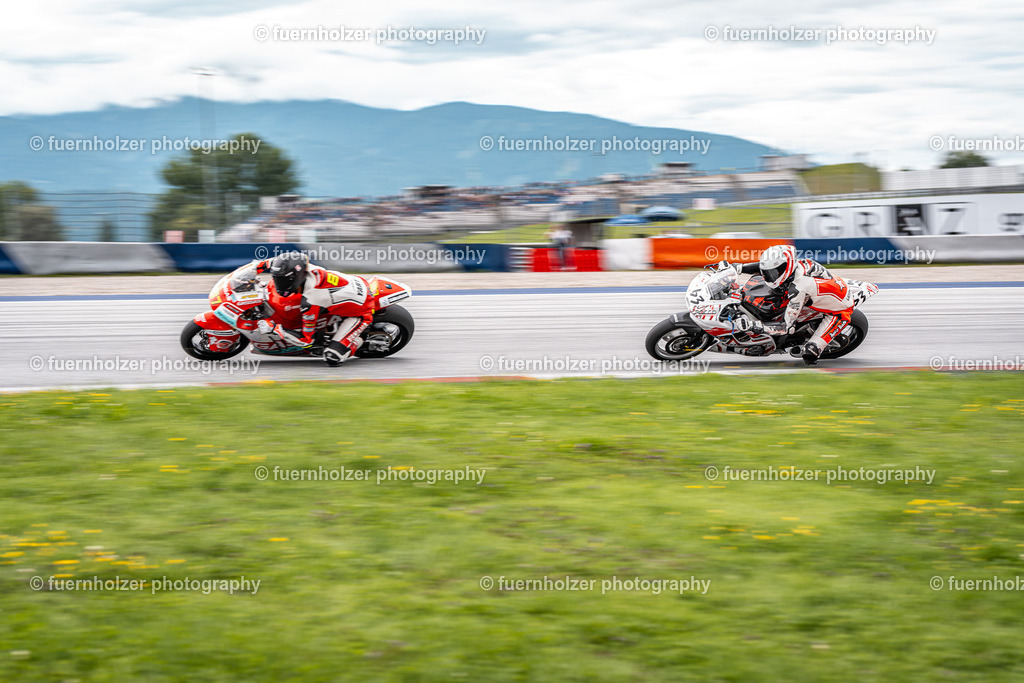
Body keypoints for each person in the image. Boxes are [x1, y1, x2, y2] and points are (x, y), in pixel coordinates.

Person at [717, 245, 857, 365]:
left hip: (839, 310)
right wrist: (738, 268)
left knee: (809, 353)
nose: (769, 276)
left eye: (773, 273)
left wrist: (755, 326)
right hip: (822, 292)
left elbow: (786, 327)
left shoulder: (797, 289)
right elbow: (763, 268)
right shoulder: (797, 266)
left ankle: (816, 347)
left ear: (786, 268)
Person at [252, 252, 374, 366]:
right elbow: (270, 263)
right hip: (353, 286)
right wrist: (253, 269)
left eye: (282, 280)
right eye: (277, 278)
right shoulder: (304, 267)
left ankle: (359, 340)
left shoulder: (312, 299)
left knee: (332, 357)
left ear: (294, 278)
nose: (278, 283)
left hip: (361, 312)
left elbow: (306, 341)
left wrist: (274, 328)